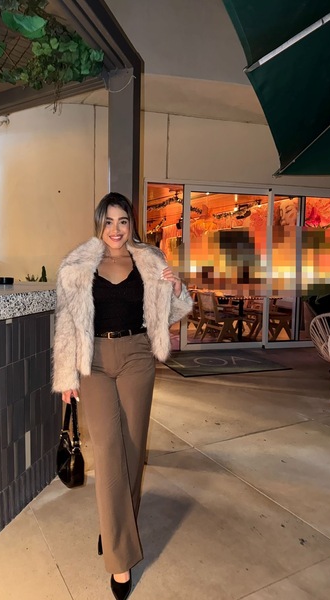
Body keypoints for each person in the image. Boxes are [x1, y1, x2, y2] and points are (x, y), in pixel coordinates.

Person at [52, 192, 193, 600]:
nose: (116, 229)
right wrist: (66, 377)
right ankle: (119, 558)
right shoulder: (78, 266)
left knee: (132, 451)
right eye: (109, 221)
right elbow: (66, 323)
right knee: (109, 452)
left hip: (136, 357)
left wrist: (177, 290)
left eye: (123, 221)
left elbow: (169, 314)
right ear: (99, 223)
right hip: (94, 361)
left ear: (131, 224)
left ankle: (113, 527)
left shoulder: (149, 261)